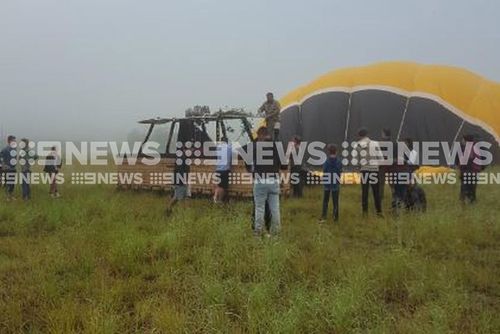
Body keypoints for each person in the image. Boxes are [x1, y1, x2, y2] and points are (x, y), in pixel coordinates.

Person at [250, 126, 286, 236]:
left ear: (260, 135)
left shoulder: (255, 147)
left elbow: (248, 164)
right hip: (273, 180)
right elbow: (284, 166)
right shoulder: (276, 146)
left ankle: (258, 232)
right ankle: (275, 234)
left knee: (259, 208)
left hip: (260, 180)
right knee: (275, 208)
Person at [354, 128, 383, 217]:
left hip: (364, 171)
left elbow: (356, 161)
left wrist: (361, 166)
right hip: (374, 170)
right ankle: (379, 212)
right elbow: (381, 158)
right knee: (376, 192)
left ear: (359, 135)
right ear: (367, 134)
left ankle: (365, 213)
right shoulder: (375, 143)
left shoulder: (357, 145)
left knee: (365, 192)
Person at [320, 144, 342, 223]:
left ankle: (324, 216)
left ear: (328, 152)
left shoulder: (326, 161)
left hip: (327, 183)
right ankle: (335, 217)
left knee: (325, 200)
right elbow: (339, 171)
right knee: (335, 201)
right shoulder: (339, 161)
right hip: (335, 182)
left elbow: (324, 171)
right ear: (336, 151)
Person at [166, 144, 190, 216]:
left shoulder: (185, 157)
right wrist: (184, 180)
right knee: (181, 198)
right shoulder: (181, 158)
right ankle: (183, 214)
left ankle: (168, 209)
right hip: (179, 181)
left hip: (181, 180)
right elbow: (180, 170)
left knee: (176, 197)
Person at [457, 134, 482, 204]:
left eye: (463, 139)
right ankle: (472, 202)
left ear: (465, 140)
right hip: (474, 172)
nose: (462, 141)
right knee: (472, 190)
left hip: (468, 172)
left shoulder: (467, 149)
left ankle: (464, 204)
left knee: (465, 190)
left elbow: (465, 162)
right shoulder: (475, 148)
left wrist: (461, 171)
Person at [213, 136, 232, 203]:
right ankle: (219, 200)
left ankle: (215, 198)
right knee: (222, 187)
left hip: (218, 169)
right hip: (225, 170)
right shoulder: (229, 147)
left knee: (218, 185)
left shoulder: (218, 148)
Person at [0, 135, 18, 201]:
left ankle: (11, 195)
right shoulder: (5, 149)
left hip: (13, 168)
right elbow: (1, 158)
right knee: (8, 183)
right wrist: (3, 165)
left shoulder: (14, 149)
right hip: (7, 169)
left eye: (15, 140)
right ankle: (7, 197)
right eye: (13, 140)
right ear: (9, 141)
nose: (14, 142)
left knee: (12, 183)